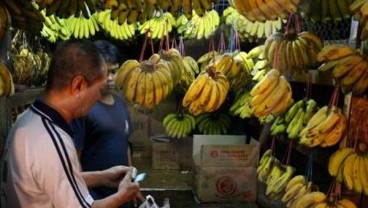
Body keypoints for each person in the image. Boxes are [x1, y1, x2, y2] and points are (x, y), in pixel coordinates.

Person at [1, 40, 139, 208]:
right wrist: (122, 196)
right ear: (79, 85)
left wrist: (101, 177)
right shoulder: (51, 140)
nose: (97, 98)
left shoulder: (26, 120)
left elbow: (52, 179)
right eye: (97, 89)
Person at [70, 40, 144, 208]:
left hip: (122, 196)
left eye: (114, 71)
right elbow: (73, 163)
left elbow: (125, 147)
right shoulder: (82, 108)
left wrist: (132, 186)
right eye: (104, 72)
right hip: (95, 199)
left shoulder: (121, 104)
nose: (110, 78)